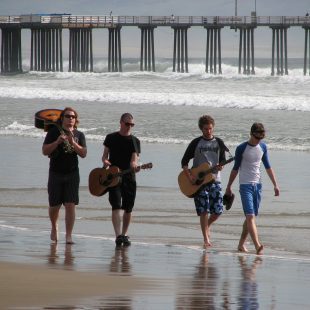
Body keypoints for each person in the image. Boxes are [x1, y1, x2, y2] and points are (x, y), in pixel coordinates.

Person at [225, 123, 279, 255]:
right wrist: (228, 186)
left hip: (258, 186)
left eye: (261, 137)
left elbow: (268, 166)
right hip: (245, 186)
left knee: (251, 217)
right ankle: (257, 245)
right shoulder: (241, 148)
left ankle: (241, 244)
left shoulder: (263, 147)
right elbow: (235, 168)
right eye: (257, 137)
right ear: (251, 134)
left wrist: (275, 185)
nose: (259, 140)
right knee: (250, 216)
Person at [181, 115, 228, 247]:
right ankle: (206, 239)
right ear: (201, 129)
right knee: (204, 211)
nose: (209, 131)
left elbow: (223, 162)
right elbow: (184, 162)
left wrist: (221, 166)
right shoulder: (196, 143)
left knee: (218, 210)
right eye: (206, 129)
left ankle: (206, 226)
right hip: (199, 183)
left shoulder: (219, 142)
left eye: (210, 128)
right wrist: (190, 176)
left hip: (215, 180)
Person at [42, 107, 87, 244]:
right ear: (62, 118)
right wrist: (57, 142)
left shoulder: (79, 134)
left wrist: (73, 143)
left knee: (70, 204)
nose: (70, 119)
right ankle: (54, 227)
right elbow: (44, 151)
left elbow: (84, 154)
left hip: (72, 173)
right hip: (56, 172)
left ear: (76, 119)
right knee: (54, 205)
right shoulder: (54, 132)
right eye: (68, 116)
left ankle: (68, 235)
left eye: (73, 117)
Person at [102, 113, 140, 246]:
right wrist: (106, 162)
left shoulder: (135, 141)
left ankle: (124, 234)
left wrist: (134, 164)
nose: (129, 126)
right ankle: (118, 235)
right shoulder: (111, 137)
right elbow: (105, 156)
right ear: (121, 123)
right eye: (127, 124)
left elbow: (135, 157)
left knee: (128, 207)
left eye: (132, 124)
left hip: (129, 176)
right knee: (116, 204)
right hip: (113, 176)